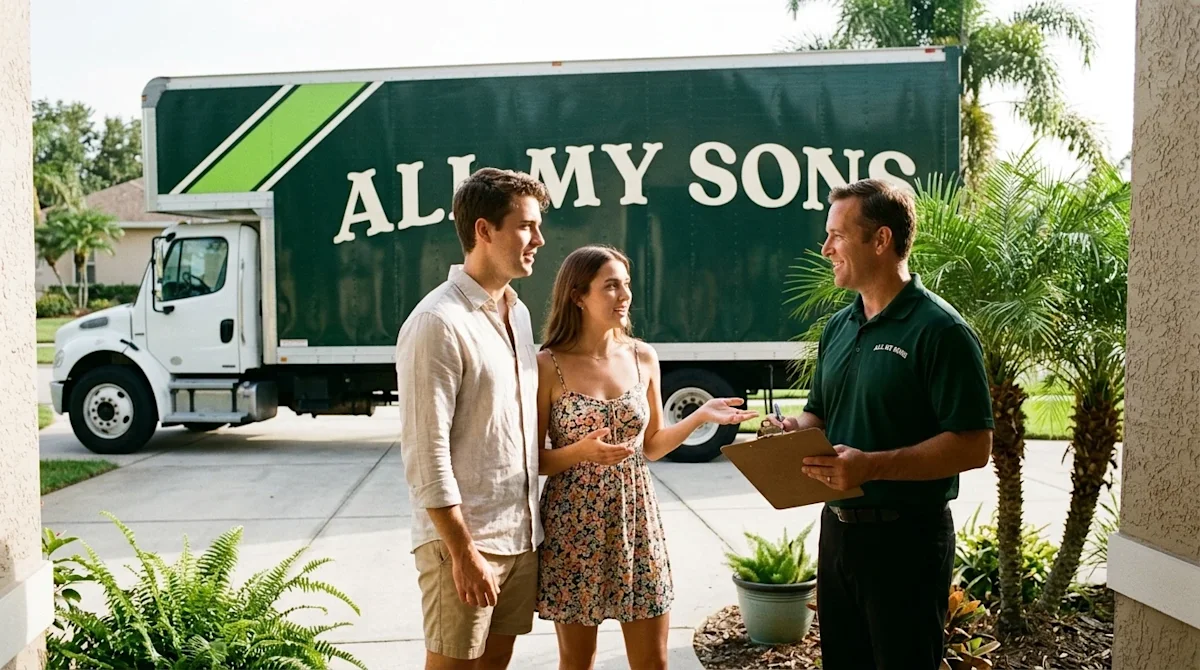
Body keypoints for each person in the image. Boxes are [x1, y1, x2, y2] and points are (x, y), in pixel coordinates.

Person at [768, 179, 994, 669]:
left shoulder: (941, 330)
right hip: (837, 533)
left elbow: (974, 446)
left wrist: (871, 466)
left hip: (907, 542)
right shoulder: (838, 326)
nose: (826, 248)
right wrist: (790, 431)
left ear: (881, 240)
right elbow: (818, 413)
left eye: (837, 236)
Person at [534, 245, 758, 670]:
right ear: (578, 295)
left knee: (653, 662)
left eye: (626, 285)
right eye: (610, 286)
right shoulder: (548, 364)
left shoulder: (643, 356)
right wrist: (581, 452)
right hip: (572, 524)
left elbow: (652, 445)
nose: (624, 296)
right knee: (577, 662)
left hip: (636, 517)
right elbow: (533, 461)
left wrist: (699, 416)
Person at [395, 167, 550, 670]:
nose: (539, 240)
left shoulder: (517, 313)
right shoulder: (437, 322)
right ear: (484, 230)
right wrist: (463, 553)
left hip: (520, 536)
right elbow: (426, 455)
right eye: (526, 226)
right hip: (463, 545)